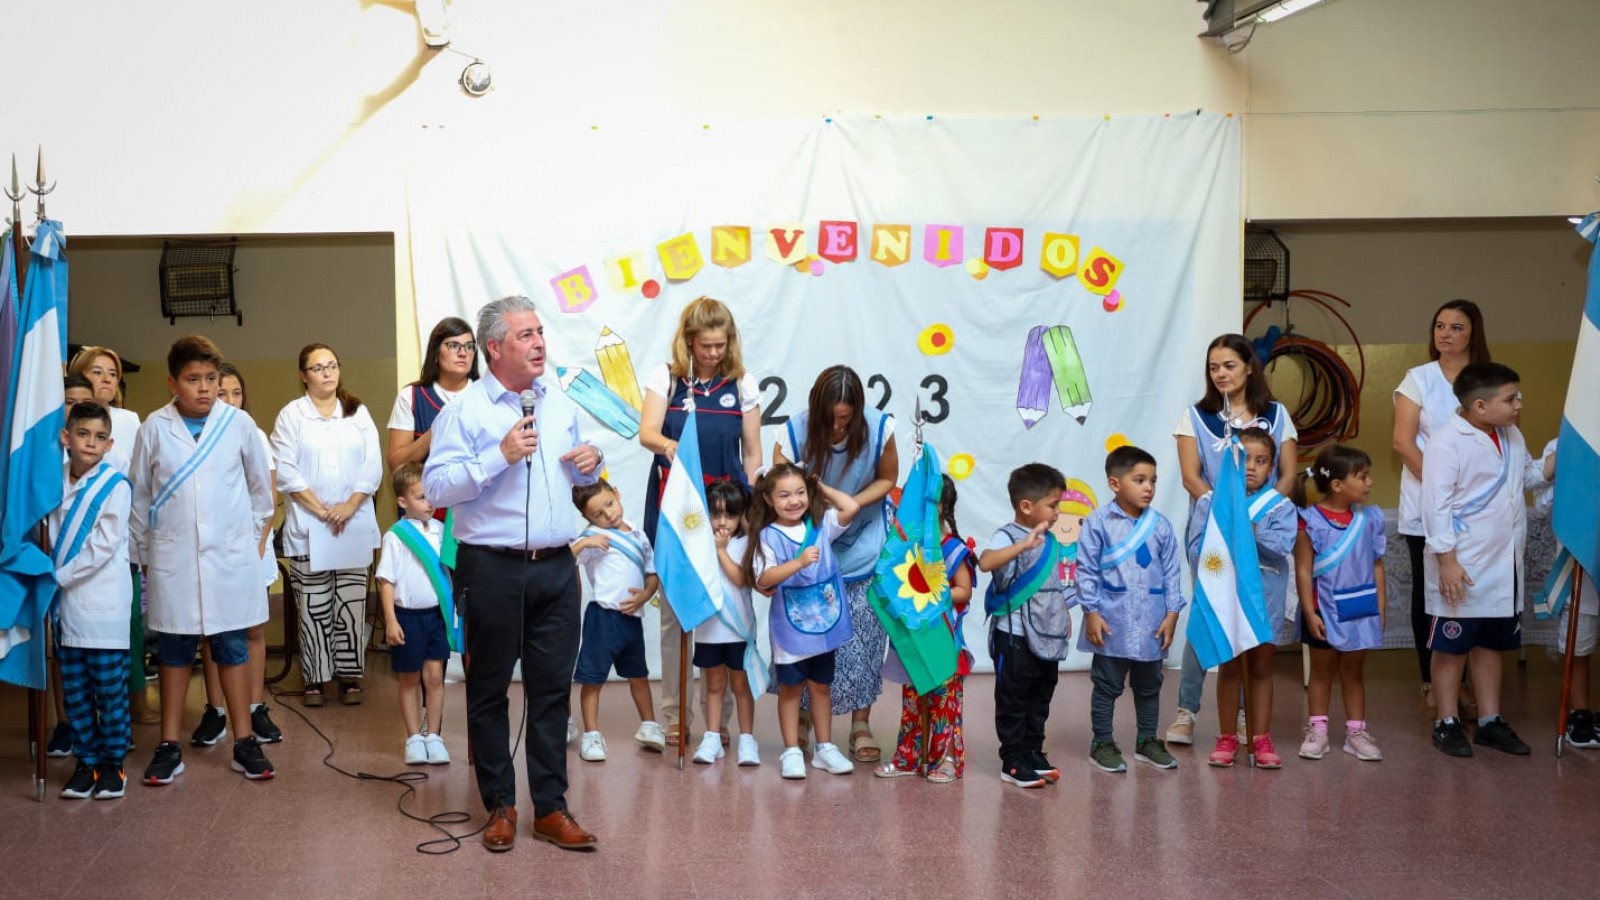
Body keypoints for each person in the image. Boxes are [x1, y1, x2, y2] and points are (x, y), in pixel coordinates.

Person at [422, 294, 604, 853]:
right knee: (489, 691)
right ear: (494, 347)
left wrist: (592, 461)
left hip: (555, 567)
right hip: (491, 568)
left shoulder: (559, 403)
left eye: (541, 332)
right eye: (526, 335)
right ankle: (500, 805)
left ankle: (551, 809)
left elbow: (578, 480)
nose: (540, 343)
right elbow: (435, 489)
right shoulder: (465, 410)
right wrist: (497, 455)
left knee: (551, 692)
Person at [130, 335, 276, 784]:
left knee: (231, 649)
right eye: (194, 379)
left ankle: (244, 742)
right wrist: (145, 559)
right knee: (174, 653)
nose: (205, 388)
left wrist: (245, 543)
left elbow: (260, 494)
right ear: (173, 382)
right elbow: (139, 498)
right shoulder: (154, 427)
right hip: (172, 561)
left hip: (229, 562)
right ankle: (169, 745)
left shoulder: (238, 425)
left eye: (211, 379)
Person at [638, 297, 761, 746]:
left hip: (724, 513)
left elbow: (752, 455)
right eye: (705, 345)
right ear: (689, 340)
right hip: (676, 511)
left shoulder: (742, 383)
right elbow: (647, 432)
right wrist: (672, 448)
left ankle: (718, 721)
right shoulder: (667, 378)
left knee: (722, 614)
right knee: (674, 619)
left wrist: (750, 514)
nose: (713, 352)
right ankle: (674, 715)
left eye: (720, 344)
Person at [1168, 333, 1299, 747]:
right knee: (1211, 613)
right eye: (1213, 367)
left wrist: (1258, 514)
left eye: (1228, 365)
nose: (1220, 373)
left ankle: (1244, 719)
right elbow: (1192, 476)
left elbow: (1289, 476)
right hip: (1213, 535)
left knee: (1253, 620)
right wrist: (1226, 516)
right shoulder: (1196, 417)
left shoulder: (1276, 415)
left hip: (1262, 533)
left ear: (1248, 367)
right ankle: (1188, 710)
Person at [1422, 362, 1550, 758]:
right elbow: (1435, 505)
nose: (1518, 405)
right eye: (1511, 399)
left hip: (1501, 563)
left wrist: (1568, 456)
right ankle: (1446, 721)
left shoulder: (1510, 434)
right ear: (1480, 406)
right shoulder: (1448, 442)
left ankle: (1491, 721)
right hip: (1462, 564)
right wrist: (1447, 560)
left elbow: (1528, 477)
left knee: (1491, 644)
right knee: (1453, 646)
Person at [774, 366, 898, 763]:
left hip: (863, 538)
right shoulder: (793, 431)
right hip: (811, 546)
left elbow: (888, 478)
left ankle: (861, 722)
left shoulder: (880, 428)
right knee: (808, 633)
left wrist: (850, 506)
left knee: (863, 637)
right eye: (830, 417)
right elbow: (775, 485)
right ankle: (807, 716)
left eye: (846, 418)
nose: (838, 425)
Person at [1393, 299, 1492, 709]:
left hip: (1478, 508)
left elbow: (1502, 440)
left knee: (1472, 593)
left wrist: (1465, 496)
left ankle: (1466, 683)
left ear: (1474, 334)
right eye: (1439, 326)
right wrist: (1442, 492)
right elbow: (1402, 442)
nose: (1445, 334)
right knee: (1430, 594)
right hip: (1426, 507)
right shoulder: (1419, 378)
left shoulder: (1489, 380)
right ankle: (1431, 682)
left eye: (1456, 327)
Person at [271, 343, 383, 707]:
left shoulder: (357, 412)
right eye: (318, 368)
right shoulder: (292, 415)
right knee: (313, 605)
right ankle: (315, 678)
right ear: (303, 375)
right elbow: (285, 469)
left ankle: (350, 675)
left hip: (352, 524)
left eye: (332, 365)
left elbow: (372, 464)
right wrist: (322, 510)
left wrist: (349, 506)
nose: (327, 373)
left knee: (351, 602)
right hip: (309, 526)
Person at [1186, 427, 1297, 768]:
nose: (1251, 467)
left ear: (1272, 466)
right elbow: (1196, 550)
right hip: (1226, 602)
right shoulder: (1211, 505)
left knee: (1262, 666)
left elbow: (1282, 546)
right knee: (1230, 666)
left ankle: (1260, 737)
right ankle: (1226, 737)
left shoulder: (1280, 506)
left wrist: (1254, 533)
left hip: (1264, 600)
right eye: (1243, 460)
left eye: (1261, 461)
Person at [744, 463, 861, 780]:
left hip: (825, 625)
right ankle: (792, 751)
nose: (793, 501)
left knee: (821, 687)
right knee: (791, 689)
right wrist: (797, 562)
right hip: (792, 629)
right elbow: (765, 576)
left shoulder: (822, 525)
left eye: (799, 493)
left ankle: (825, 747)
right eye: (784, 495)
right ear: (769, 499)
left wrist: (821, 488)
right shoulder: (768, 536)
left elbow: (851, 506)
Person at [1078, 446, 1184, 774]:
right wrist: (1091, 612)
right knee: (1107, 684)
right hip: (1112, 620)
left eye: (1152, 480)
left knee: (1150, 684)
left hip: (1152, 621)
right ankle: (1102, 743)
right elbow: (1086, 569)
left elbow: (1172, 572)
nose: (1148, 487)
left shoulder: (1162, 526)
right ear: (1114, 483)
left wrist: (1172, 613)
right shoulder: (1097, 522)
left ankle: (1147, 741)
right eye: (1139, 480)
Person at [192, 363, 282, 746]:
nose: (228, 399)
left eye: (235, 393)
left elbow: (269, 497)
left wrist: (256, 548)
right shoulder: (196, 435)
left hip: (251, 545)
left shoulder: (254, 434)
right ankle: (217, 710)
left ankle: (255, 707)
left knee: (252, 629)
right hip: (211, 548)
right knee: (213, 632)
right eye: (221, 392)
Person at [50, 402, 134, 799]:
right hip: (66, 610)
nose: (91, 443)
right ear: (66, 437)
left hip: (102, 606)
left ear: (110, 443)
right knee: (76, 692)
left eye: (100, 437)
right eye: (83, 434)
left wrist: (57, 577)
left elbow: (101, 546)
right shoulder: (52, 484)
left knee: (108, 690)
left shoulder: (114, 486)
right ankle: (86, 763)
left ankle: (113, 764)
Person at [1291, 445, 1388, 762]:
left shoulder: (1370, 519)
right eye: (1362, 477)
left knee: (1353, 672)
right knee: (1321, 673)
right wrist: (1308, 611)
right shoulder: (1310, 521)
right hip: (1322, 611)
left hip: (1360, 610)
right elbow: (1304, 570)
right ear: (1337, 484)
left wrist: (1381, 607)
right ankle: (1318, 731)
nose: (1369, 482)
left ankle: (1356, 733)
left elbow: (1376, 565)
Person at [979, 463, 1071, 789]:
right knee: (1013, 700)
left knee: (1040, 698)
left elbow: (1053, 586)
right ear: (1027, 507)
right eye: (1053, 504)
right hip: (1014, 636)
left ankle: (1033, 751)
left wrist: (1065, 616)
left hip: (1047, 635)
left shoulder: (1049, 540)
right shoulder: (1007, 535)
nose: (1058, 512)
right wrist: (1023, 545)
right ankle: (1013, 760)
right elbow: (986, 562)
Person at [877, 474, 973, 783]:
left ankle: (946, 760)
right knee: (912, 703)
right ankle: (908, 757)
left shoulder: (951, 547)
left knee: (944, 703)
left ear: (942, 508)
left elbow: (963, 590)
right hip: (915, 643)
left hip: (942, 641)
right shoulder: (907, 550)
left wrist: (931, 596)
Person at [569, 479, 666, 761]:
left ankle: (648, 725)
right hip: (602, 619)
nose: (609, 514)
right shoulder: (592, 536)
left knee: (639, 675)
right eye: (598, 514)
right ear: (588, 518)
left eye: (610, 504)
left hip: (631, 618)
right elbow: (565, 559)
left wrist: (646, 595)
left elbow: (651, 573)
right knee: (593, 678)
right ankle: (591, 734)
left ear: (617, 494)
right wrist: (585, 541)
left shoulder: (638, 534)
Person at [45, 374, 105, 759]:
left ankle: (104, 729)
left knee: (101, 659)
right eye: (69, 401)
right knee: (60, 652)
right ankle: (65, 722)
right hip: (55, 578)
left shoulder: (102, 465)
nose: (76, 406)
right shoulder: (46, 463)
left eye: (84, 400)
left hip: (93, 581)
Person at [377, 463, 453, 766]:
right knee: (408, 678)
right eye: (421, 497)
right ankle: (412, 738)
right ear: (402, 502)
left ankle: (433, 736)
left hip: (436, 616)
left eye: (432, 495)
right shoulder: (396, 536)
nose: (429, 503)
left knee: (434, 677)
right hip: (406, 617)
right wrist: (391, 621)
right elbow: (386, 581)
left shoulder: (442, 530)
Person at [1530, 439, 1599, 748]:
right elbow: (1542, 505)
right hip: (1581, 556)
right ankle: (1580, 715)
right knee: (1579, 642)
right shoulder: (1564, 442)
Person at [693, 480, 763, 767]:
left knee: (740, 684)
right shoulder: (698, 543)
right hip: (708, 629)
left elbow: (740, 578)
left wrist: (720, 550)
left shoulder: (747, 544)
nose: (722, 522)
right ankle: (712, 737)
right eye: (716, 514)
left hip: (738, 628)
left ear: (741, 515)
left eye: (730, 515)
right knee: (714, 684)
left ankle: (747, 739)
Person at [387, 316, 480, 471]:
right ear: (436, 352)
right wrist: (436, 431)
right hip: (428, 493)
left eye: (469, 346)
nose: (463, 353)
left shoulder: (487, 395)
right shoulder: (411, 396)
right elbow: (396, 464)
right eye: (453, 345)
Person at [67, 345, 140, 474]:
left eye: (113, 374)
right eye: (97, 372)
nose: (107, 379)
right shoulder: (66, 417)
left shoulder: (130, 419)